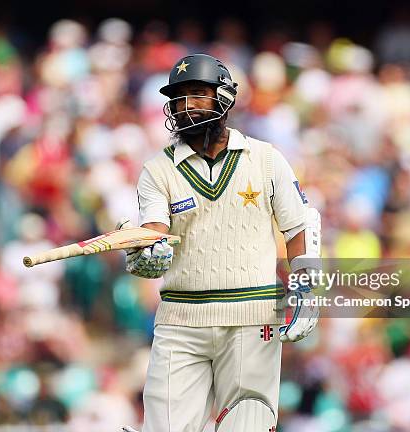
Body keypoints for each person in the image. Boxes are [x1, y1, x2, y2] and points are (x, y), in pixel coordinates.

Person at [119, 53, 321, 432]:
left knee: (249, 422)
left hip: (253, 317)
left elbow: (299, 228)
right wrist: (145, 251)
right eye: (178, 98)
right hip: (181, 321)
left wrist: (305, 290)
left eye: (196, 94)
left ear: (224, 97)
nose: (185, 106)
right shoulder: (158, 169)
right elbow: (155, 232)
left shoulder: (265, 158)